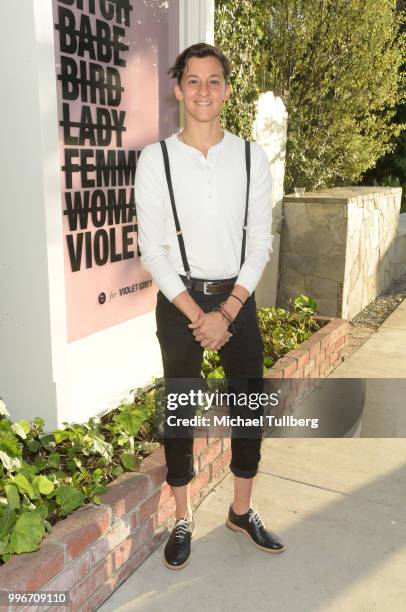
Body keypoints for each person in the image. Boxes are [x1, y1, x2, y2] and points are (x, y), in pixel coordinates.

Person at [134, 42, 285, 570]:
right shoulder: (156, 159)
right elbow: (152, 249)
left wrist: (227, 310)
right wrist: (199, 315)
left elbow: (260, 241)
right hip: (179, 302)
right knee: (179, 410)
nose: (203, 90)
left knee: (249, 405)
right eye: (193, 80)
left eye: (213, 80)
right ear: (179, 89)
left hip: (236, 299)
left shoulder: (249, 157)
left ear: (225, 89)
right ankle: (182, 516)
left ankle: (241, 512)